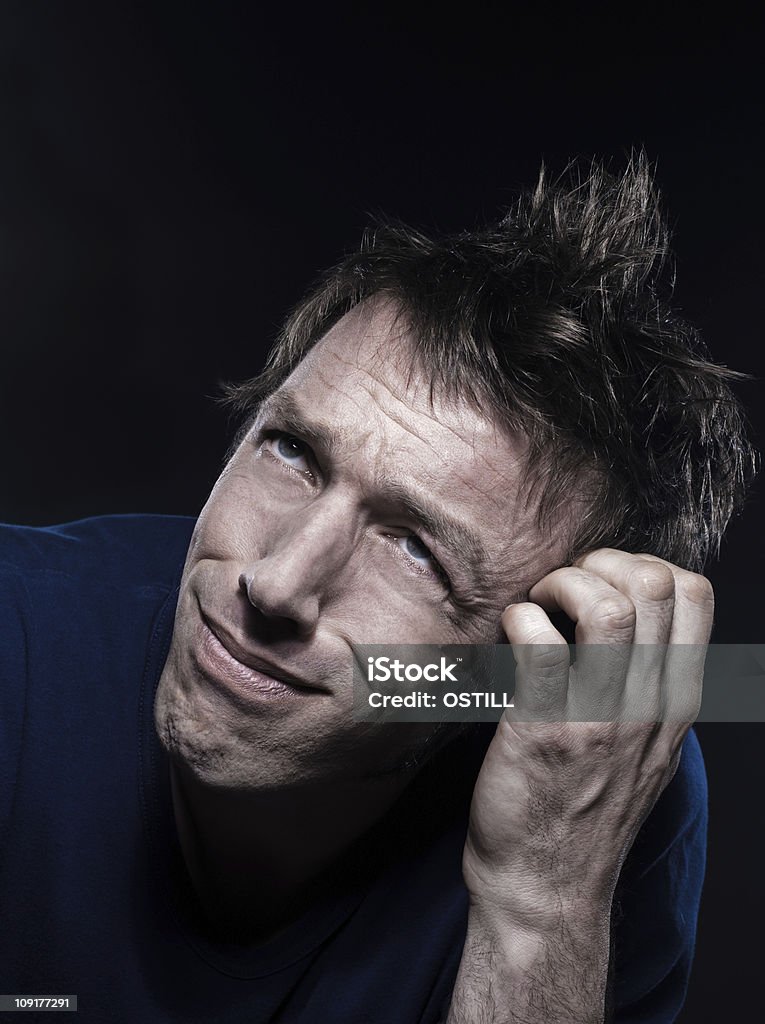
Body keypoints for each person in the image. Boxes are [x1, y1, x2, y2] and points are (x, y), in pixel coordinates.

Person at [0, 154, 755, 1023]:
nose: (275, 583)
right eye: (292, 451)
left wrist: (540, 909)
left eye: (417, 551)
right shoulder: (22, 635)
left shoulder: (592, 782)